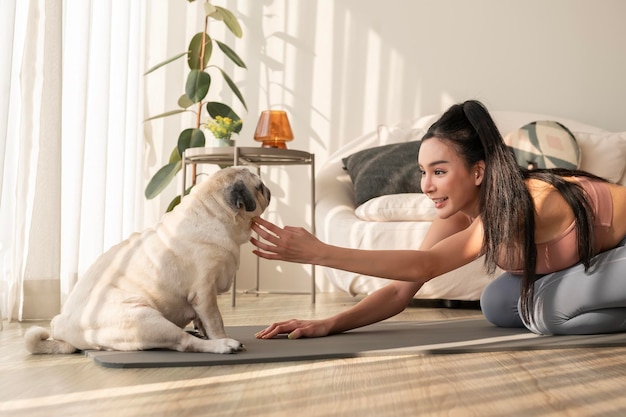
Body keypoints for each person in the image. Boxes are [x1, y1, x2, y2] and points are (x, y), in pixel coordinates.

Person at [250, 100, 626, 340]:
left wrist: (321, 252)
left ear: (478, 172)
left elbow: (426, 264)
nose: (426, 186)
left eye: (439, 171)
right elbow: (403, 288)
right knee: (498, 303)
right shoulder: (457, 212)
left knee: (547, 314)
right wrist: (329, 324)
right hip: (598, 259)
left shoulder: (524, 201)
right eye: (422, 172)